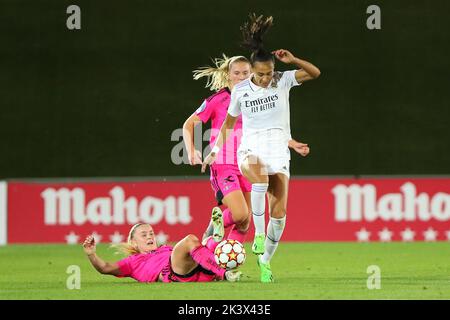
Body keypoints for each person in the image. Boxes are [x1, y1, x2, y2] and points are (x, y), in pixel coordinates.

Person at [202, 13, 320, 283]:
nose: (266, 78)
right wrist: (214, 151)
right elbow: (229, 125)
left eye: (269, 73)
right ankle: (256, 233)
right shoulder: (242, 90)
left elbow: (315, 73)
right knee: (259, 177)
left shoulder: (282, 79)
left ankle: (265, 260)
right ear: (252, 71)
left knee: (279, 214)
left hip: (279, 151)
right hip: (250, 149)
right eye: (261, 74)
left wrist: (294, 61)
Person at [183, 54, 310, 249]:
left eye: (245, 72)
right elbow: (189, 124)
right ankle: (216, 222)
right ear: (228, 75)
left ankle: (222, 265)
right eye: (236, 73)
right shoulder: (219, 99)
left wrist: (289, 142)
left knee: (245, 222)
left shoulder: (263, 95)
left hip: (251, 163)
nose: (241, 77)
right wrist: (191, 150)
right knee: (240, 214)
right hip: (224, 164)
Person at [82, 218, 241, 283]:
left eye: (151, 233)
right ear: (133, 243)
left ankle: (212, 240)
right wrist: (92, 254)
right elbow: (105, 268)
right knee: (190, 241)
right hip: (170, 273)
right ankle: (222, 265)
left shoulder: (165, 248)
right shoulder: (132, 262)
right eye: (143, 235)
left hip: (194, 272)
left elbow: (197, 254)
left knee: (201, 246)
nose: (150, 236)